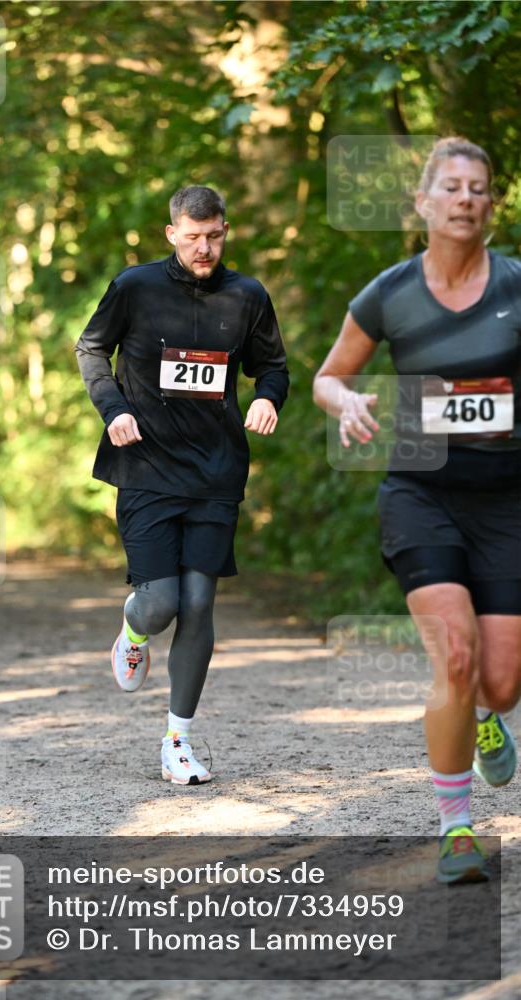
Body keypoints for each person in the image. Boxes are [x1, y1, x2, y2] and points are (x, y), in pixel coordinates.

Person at [313, 137, 520, 883]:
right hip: (420, 491)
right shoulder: (390, 292)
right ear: (423, 203)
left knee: (498, 683)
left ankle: (486, 715)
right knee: (453, 659)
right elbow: (328, 376)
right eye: (452, 187)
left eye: (479, 189)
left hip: (506, 500)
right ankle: (456, 827)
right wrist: (344, 401)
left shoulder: (516, 287)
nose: (466, 198)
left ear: (489, 206)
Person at [76, 185, 289, 785]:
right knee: (162, 602)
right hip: (145, 467)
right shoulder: (135, 288)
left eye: (215, 236)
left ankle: (178, 740)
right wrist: (112, 407)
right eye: (193, 236)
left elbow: (271, 366)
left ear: (226, 230)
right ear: (171, 232)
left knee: (199, 604)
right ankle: (133, 627)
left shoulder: (246, 296)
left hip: (216, 472)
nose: (205, 248)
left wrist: (269, 398)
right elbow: (90, 348)